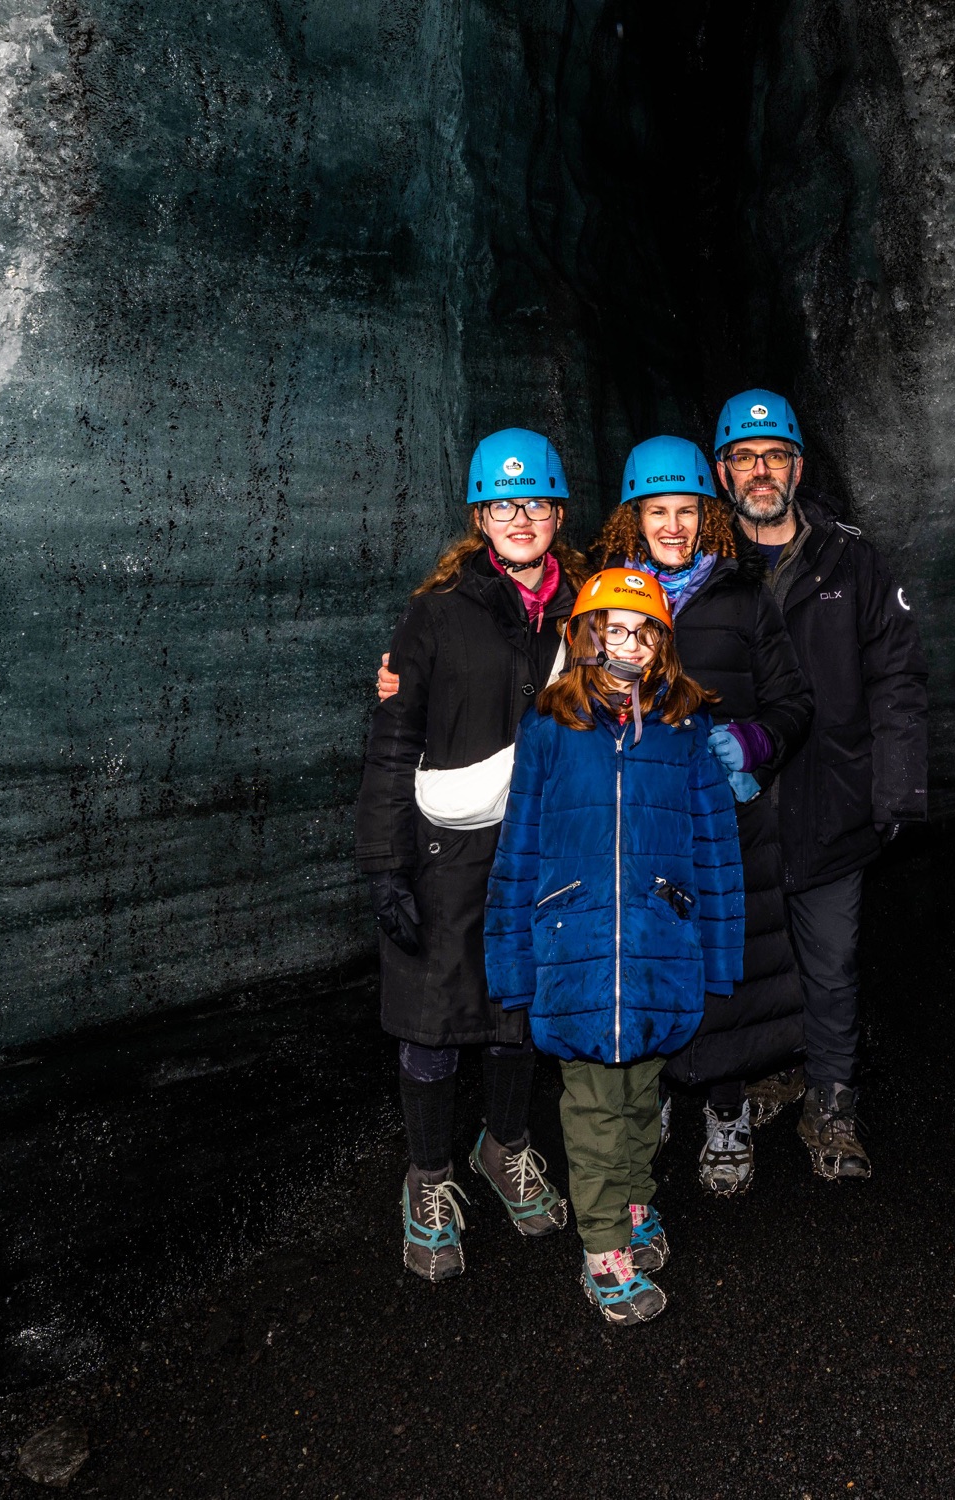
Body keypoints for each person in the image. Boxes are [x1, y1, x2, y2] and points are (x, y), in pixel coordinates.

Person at [483, 567, 744, 1323]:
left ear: (662, 644)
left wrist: (720, 955)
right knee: (595, 1105)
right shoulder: (550, 726)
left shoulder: (684, 730)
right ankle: (601, 1248)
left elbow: (716, 845)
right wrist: (513, 963)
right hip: (577, 948)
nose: (626, 644)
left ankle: (634, 1201)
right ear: (584, 637)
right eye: (611, 629)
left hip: (662, 948)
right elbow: (520, 845)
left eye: (643, 631)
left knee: (638, 1099)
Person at [354, 428, 584, 1282]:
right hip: (445, 855)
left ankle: (506, 1147)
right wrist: (383, 862)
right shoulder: (437, 611)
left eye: (535, 503)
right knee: (435, 1022)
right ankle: (429, 1179)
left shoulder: (586, 608)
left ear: (557, 512)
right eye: (502, 503)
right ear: (479, 516)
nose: (519, 517)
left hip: (543, 847)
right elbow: (392, 738)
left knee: (518, 1013)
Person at [709, 389, 929, 1180]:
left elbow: (896, 679)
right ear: (723, 471)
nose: (760, 472)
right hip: (735, 805)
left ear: (797, 467)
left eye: (774, 457)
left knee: (830, 958)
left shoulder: (852, 559)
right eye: (745, 458)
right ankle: (773, 1069)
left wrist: (896, 788)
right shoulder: (698, 565)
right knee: (753, 956)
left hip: (830, 794)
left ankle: (832, 1103)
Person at [590, 435, 813, 1196]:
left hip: (726, 822)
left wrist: (749, 744)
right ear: (635, 519)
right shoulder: (608, 599)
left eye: (688, 511)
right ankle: (650, 1096)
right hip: (640, 823)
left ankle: (726, 1112)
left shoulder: (744, 599)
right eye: (659, 512)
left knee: (728, 973)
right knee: (647, 964)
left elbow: (794, 704)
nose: (675, 526)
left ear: (707, 517)